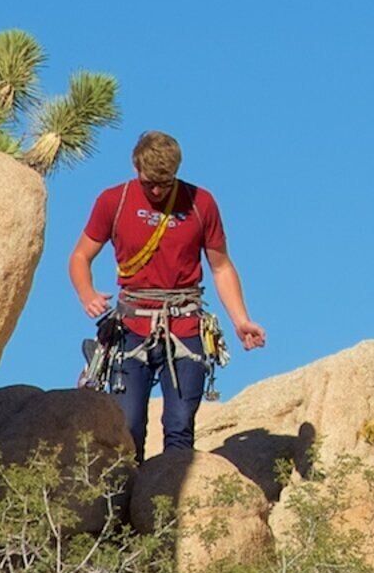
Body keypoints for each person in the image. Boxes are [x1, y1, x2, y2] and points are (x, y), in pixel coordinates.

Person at [69, 130, 265, 461]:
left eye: (166, 183)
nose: (158, 191)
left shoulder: (201, 203)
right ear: (136, 168)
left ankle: (167, 503)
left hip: (185, 325)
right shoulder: (113, 202)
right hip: (132, 328)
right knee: (128, 426)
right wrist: (86, 293)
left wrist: (241, 319)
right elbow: (80, 257)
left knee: (180, 427)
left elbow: (221, 267)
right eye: (150, 184)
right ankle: (125, 506)